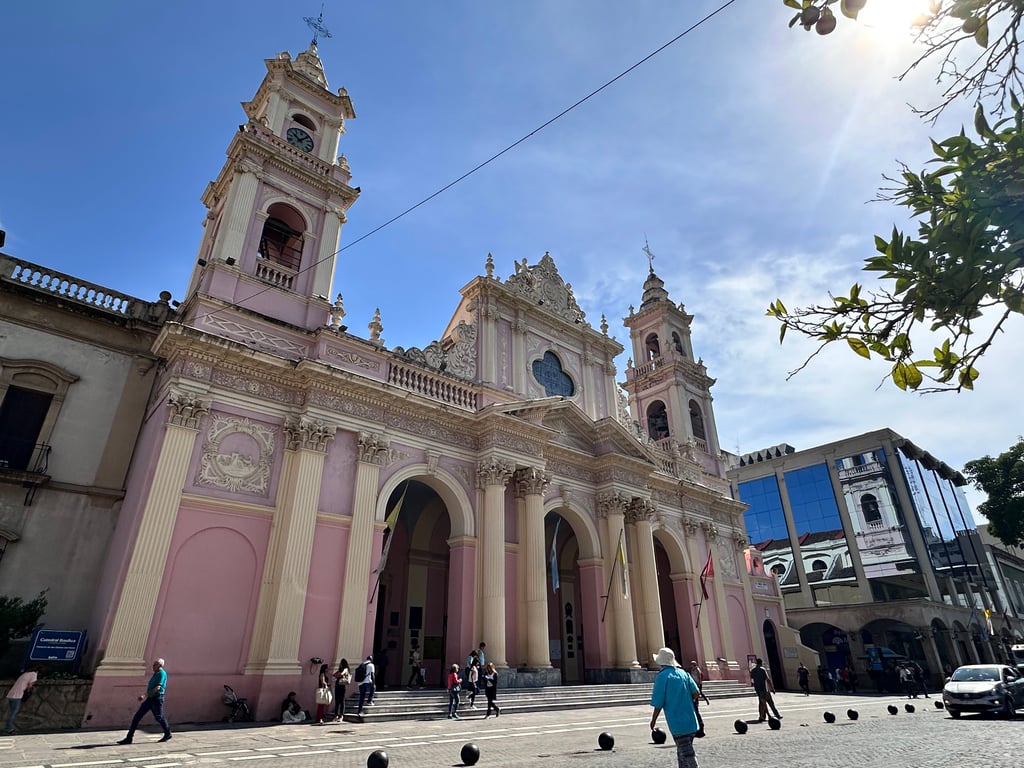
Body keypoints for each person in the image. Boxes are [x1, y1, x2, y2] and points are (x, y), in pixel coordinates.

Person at [649, 648, 701, 768]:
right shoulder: (683, 673)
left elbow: (658, 702)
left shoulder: (662, 676)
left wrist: (653, 720)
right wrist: (686, 700)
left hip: (678, 723)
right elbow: (696, 693)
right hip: (691, 721)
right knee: (681, 752)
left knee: (687, 753)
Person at [117, 658, 172, 744]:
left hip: (157, 699)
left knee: (159, 717)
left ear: (160, 666)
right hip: (150, 699)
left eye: (155, 664)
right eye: (153, 664)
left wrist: (144, 695)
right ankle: (129, 738)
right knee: (137, 717)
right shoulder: (156, 674)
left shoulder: (161, 674)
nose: (153, 666)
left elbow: (158, 687)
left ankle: (168, 733)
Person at [5, 667, 37, 734]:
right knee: (13, 713)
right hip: (17, 695)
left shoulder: (25, 673)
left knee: (11, 712)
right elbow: (30, 685)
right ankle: (9, 728)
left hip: (11, 694)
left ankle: (8, 727)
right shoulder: (34, 674)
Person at [749, 658, 781, 722]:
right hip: (764, 688)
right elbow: (768, 679)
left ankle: (762, 716)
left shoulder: (753, 670)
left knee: (761, 703)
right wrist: (772, 688)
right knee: (770, 702)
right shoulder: (763, 669)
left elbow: (752, 679)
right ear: (761, 663)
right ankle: (775, 715)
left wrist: (755, 685)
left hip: (758, 689)